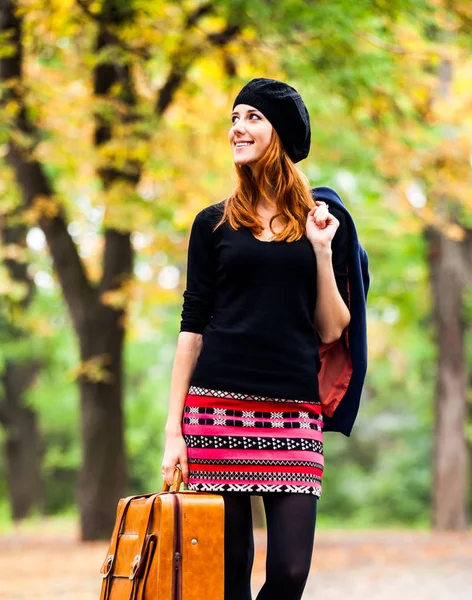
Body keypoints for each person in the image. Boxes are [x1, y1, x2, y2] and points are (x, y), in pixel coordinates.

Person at [161, 77, 365, 600]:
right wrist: (173, 430)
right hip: (215, 409)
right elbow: (192, 328)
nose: (238, 128)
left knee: (291, 571)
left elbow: (332, 327)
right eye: (234, 118)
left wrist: (321, 250)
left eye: (252, 117)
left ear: (282, 133)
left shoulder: (321, 222)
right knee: (229, 574)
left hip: (294, 412)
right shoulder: (213, 224)